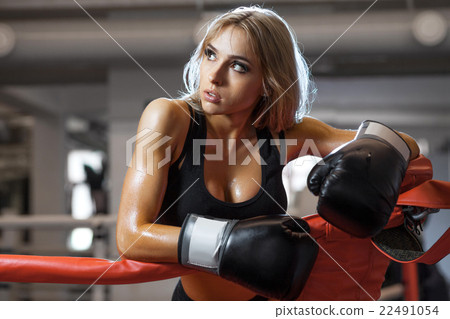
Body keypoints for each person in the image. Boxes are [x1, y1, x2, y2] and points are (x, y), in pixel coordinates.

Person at [116, 6, 420, 301]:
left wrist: (371, 163)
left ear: (267, 82)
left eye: (239, 66)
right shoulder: (168, 118)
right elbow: (130, 237)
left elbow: (403, 142)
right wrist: (230, 242)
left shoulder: (283, 136)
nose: (214, 76)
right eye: (210, 54)